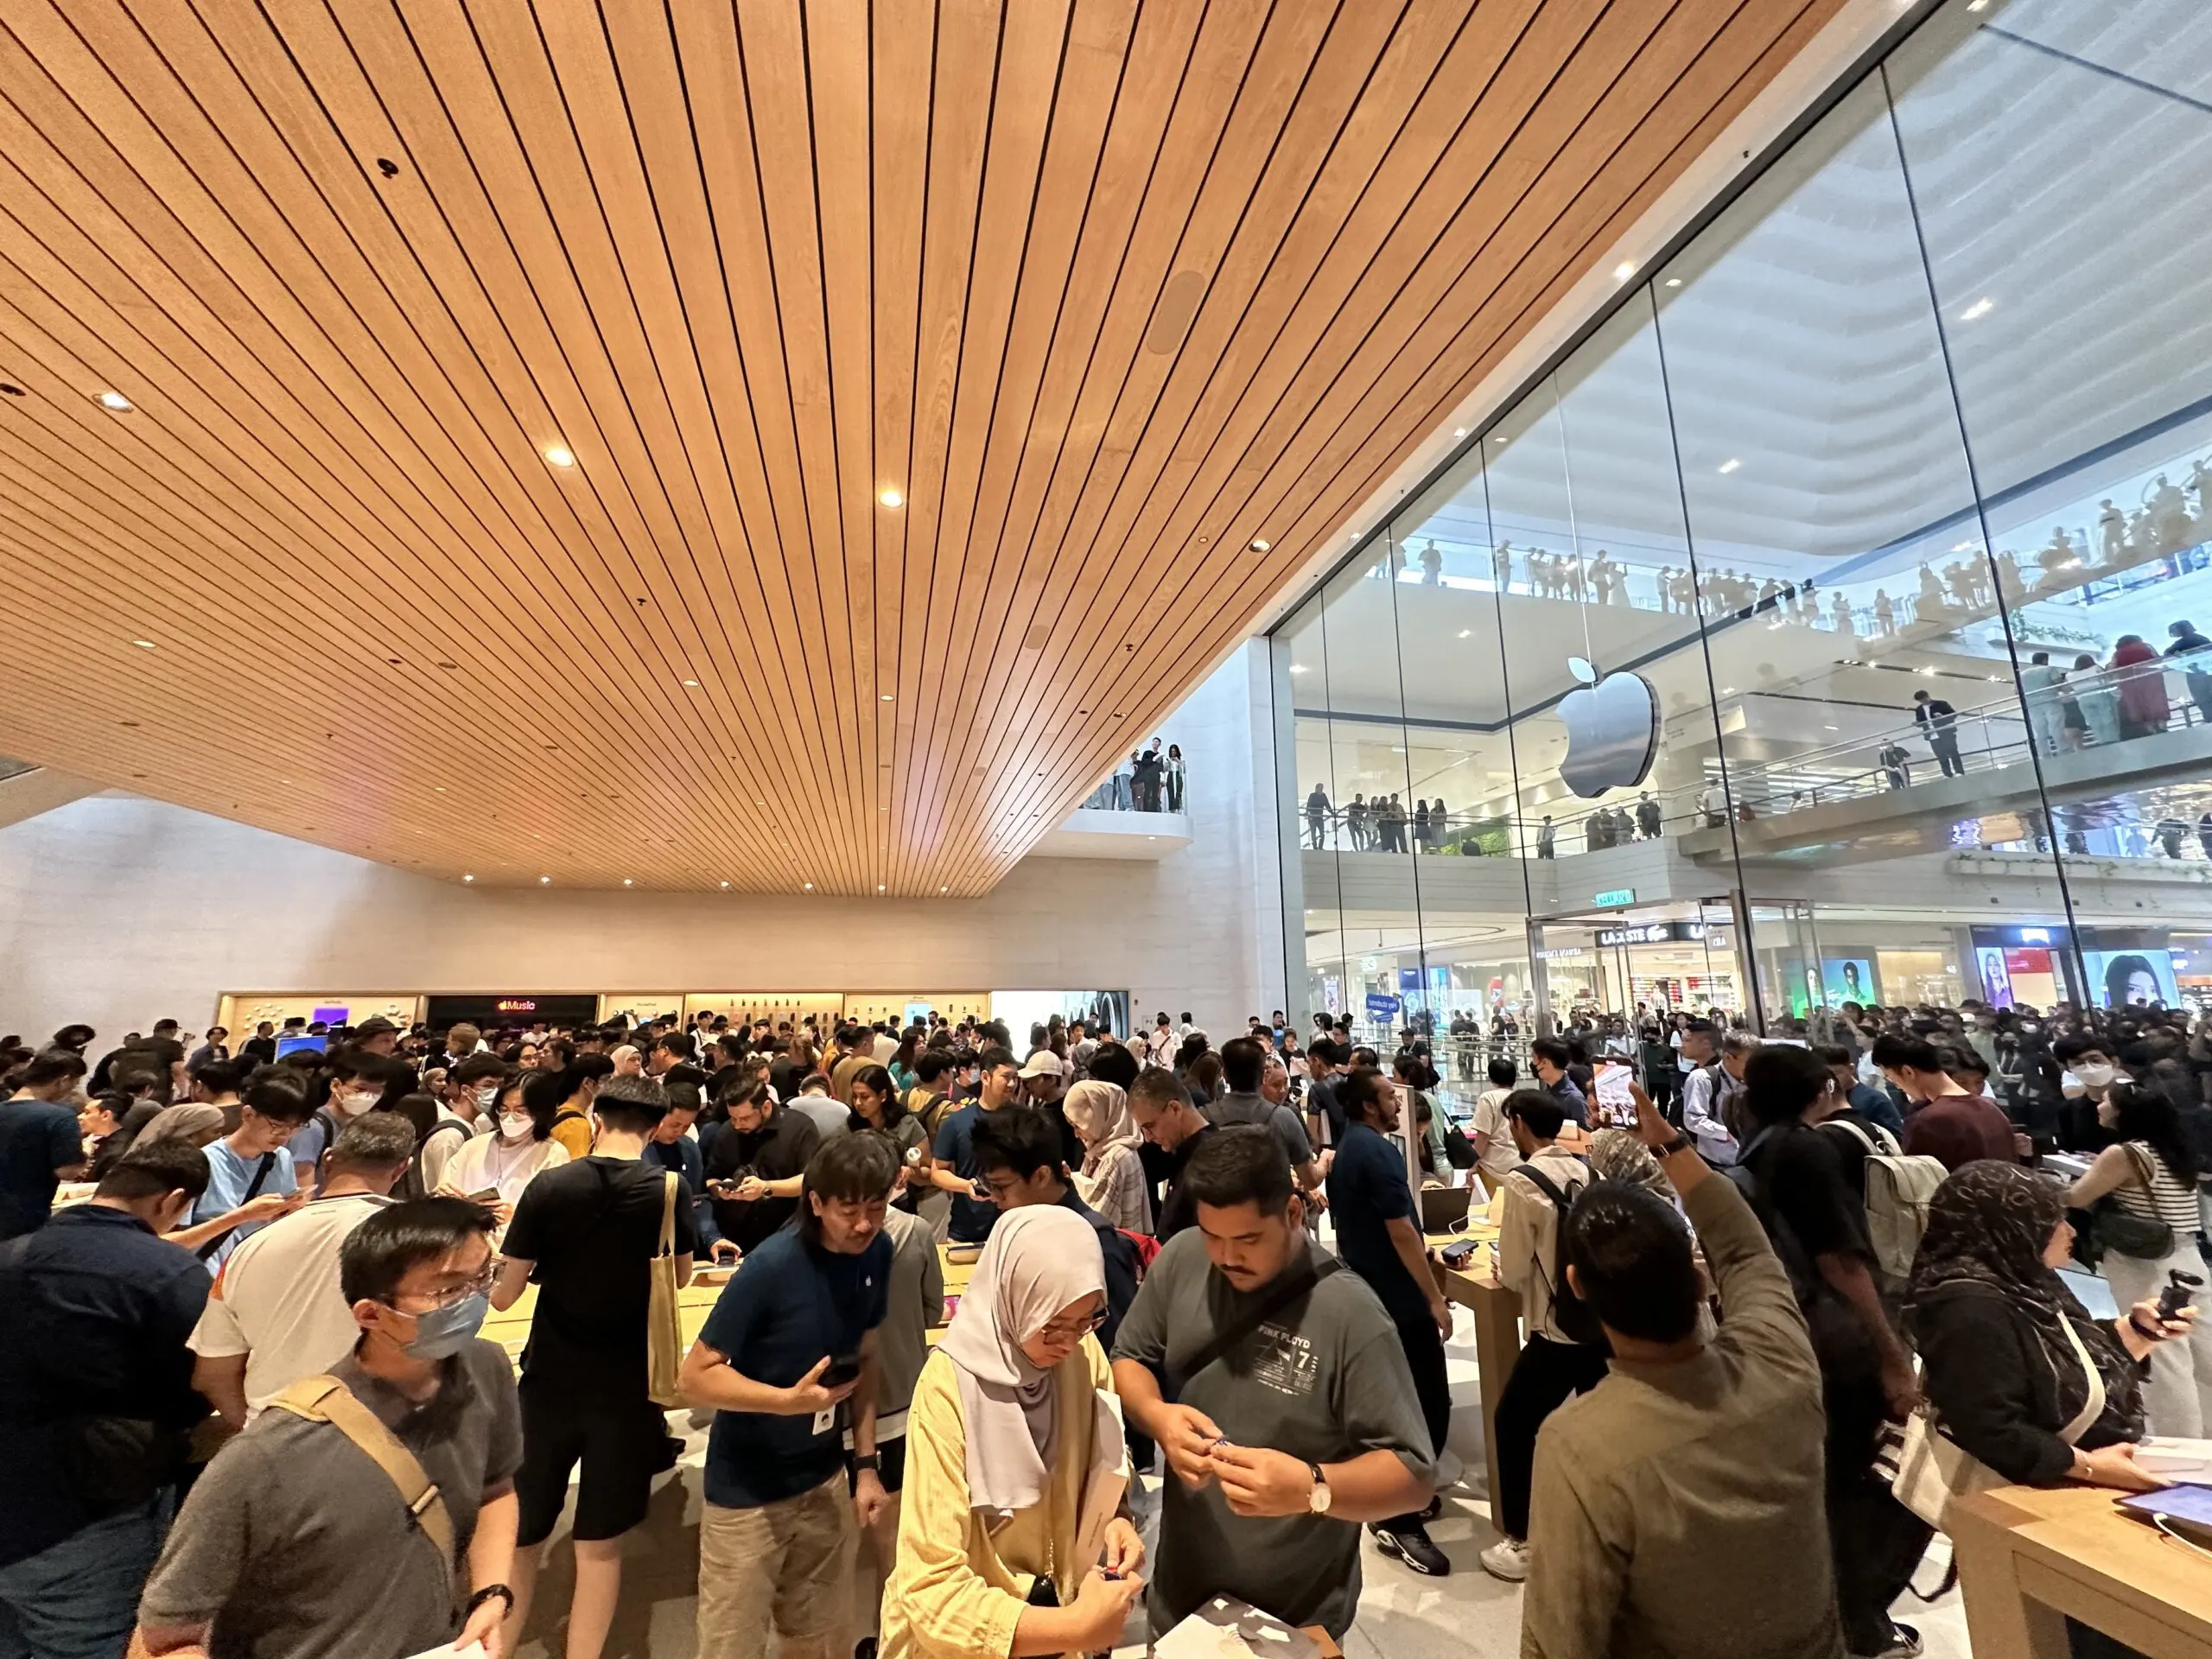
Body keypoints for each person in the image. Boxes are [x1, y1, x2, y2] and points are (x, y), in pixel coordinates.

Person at [1519, 1081, 1846, 1659]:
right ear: (1699, 1281)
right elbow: (1744, 1247)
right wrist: (1670, 1145)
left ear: (1578, 1288)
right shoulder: (1781, 1360)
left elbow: (1560, 1637)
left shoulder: (1583, 1446)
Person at [132, 1198, 522, 1659]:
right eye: (448, 1291)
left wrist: (491, 1593)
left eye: (483, 1278)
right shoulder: (270, 1456)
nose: (474, 1300)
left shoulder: (485, 1367)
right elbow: (163, 1637)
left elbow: (495, 1488)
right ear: (370, 1315)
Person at [1111, 1129, 1435, 1641]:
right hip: (1181, 1582)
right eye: (1212, 1235)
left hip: (1296, 1605)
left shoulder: (1352, 1315)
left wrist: (1312, 1487)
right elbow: (1130, 1356)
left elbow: (1414, 1475)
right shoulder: (1182, 1257)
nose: (1225, 1257)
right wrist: (1159, 1417)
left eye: (1247, 1240)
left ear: (1292, 1214)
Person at [881, 1204, 1144, 1659]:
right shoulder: (949, 1387)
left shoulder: (1083, 1355)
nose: (1068, 1342)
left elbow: (1109, 1457)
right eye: (1051, 1325)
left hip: (1056, 1622)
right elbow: (930, 1590)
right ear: (1011, 1300)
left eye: (1087, 1320)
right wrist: (1074, 1627)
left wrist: (1116, 1517)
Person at [493, 1074, 696, 1659]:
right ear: (656, 1128)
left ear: (598, 1119)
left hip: (550, 1379)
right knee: (600, 1545)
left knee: (525, 1534)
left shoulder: (549, 1186)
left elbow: (505, 1295)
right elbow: (679, 1276)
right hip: (628, 1386)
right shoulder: (668, 1190)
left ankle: (496, 1649)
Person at [1733, 1046, 1927, 1658]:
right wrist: (1891, 1353)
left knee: (1826, 1481)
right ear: (1820, 1089)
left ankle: (1828, 1611)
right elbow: (1841, 1260)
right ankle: (1859, 1619)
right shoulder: (1806, 1150)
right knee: (1862, 1483)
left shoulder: (1757, 1148)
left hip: (1786, 1331)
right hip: (1835, 1339)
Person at [683, 1135, 897, 1659]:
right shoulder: (771, 1266)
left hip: (824, 1479)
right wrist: (787, 1402)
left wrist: (865, 1465)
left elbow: (866, 1361)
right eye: (850, 1210)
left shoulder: (878, 1252)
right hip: (747, 1492)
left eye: (877, 1207)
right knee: (731, 1644)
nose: (865, 1224)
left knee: (818, 1637)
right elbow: (693, 1376)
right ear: (817, 1201)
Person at [0, 1142, 210, 1656]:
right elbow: (201, 1383)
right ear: (174, 1201)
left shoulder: (11, 1253)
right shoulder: (169, 1274)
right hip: (84, 1508)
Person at [1911, 1161, 2195, 1501]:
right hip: (2025, 1492)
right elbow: (1989, 1427)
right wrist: (2089, 1466)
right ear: (2014, 1227)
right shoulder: (1969, 1305)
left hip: (2073, 1474)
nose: (2070, 1231)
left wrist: (2139, 1331)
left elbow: (2065, 1360)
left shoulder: (2024, 1276)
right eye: (2053, 1222)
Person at [189, 1111, 416, 1427]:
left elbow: (211, 1375)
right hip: (380, 1432)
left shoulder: (248, 1248)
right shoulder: (423, 1239)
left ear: (327, 1159)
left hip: (271, 1433)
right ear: (403, 1168)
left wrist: (253, 1430)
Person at [1324, 1071, 1453, 1576]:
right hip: (1398, 1296)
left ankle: (1405, 1499)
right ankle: (1400, 1517)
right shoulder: (1377, 1153)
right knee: (1425, 1401)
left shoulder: (1351, 1148)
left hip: (1371, 1289)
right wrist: (1434, 1296)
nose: (1395, 1103)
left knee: (1400, 1398)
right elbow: (1401, 1231)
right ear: (1366, 1105)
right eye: (1385, 1097)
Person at [1481, 1090, 1608, 1584]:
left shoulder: (1523, 1181)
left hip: (1555, 1328)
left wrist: (1502, 1265)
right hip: (1598, 1323)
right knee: (1597, 1425)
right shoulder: (1589, 1172)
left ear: (1516, 1123)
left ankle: (1523, 1539)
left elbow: (1513, 1269)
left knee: (1513, 1422)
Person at [2066, 1081, 2212, 1435]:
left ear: (2122, 1112)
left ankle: (2179, 1443)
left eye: (2105, 1101)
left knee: (2161, 1356)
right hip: (2187, 1256)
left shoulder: (2124, 1154)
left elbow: (2077, 1197)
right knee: (2202, 1352)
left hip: (2143, 1263)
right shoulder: (2171, 1148)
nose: (2099, 1105)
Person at [972, 1105, 1141, 1348]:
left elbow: (1120, 1343)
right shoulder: (1024, 1224)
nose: (995, 1198)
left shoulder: (1096, 1241)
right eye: (989, 1186)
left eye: (1001, 1187)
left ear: (1042, 1176)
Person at [191, 1071, 315, 1270]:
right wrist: (242, 1215)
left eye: (296, 1127)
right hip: (204, 1278)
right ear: (248, 1114)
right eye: (277, 1125)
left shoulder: (281, 1157)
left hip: (250, 1274)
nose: (285, 1135)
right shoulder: (202, 1162)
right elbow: (168, 1241)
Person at [704, 1074, 822, 1253]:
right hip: (738, 1239)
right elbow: (711, 1177)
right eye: (733, 1118)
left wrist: (766, 1188)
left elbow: (811, 1180)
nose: (736, 1125)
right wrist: (720, 1191)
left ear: (766, 1107)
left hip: (789, 1235)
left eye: (744, 1118)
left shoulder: (800, 1127)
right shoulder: (727, 1131)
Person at [438, 1068, 572, 1224]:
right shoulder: (474, 1147)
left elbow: (557, 1219)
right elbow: (444, 1193)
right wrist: (443, 1197)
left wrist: (518, 1218)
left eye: (520, 1111)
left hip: (514, 1245)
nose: (509, 1118)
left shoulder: (553, 1154)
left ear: (541, 1112)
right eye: (503, 1110)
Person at [1872, 1033, 2018, 1171]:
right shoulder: (1990, 1108)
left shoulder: (1928, 1120)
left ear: (1907, 1072)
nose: (1897, 1085)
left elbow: (1918, 1184)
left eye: (1891, 1077)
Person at [1205, 1037, 1325, 1198]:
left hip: (1218, 1215)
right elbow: (1310, 1180)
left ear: (1224, 1074)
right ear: (1263, 1074)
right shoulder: (1283, 1117)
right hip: (1268, 1215)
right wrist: (1326, 1158)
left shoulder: (1202, 1117)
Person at [927, 1046, 1021, 1245]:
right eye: (1006, 1076)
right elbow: (937, 1172)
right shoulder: (957, 1121)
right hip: (966, 1231)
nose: (1012, 1083)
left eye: (1016, 1077)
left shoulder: (1023, 1121)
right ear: (986, 1077)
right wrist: (966, 1186)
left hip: (1013, 1230)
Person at [0, 1047, 90, 1238]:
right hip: (25, 1213)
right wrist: (83, 1158)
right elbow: (67, 1170)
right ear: (64, 1080)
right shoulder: (60, 1115)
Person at [1126, 1069, 1217, 1241]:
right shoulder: (1183, 1151)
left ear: (1174, 1109)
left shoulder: (1212, 1162)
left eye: (1150, 1126)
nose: (1147, 1137)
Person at [1064, 1079, 1150, 1235]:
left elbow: (1094, 1219)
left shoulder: (1115, 1156)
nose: (1076, 1134)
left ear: (1097, 1115)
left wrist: (1065, 1188)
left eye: (1078, 1125)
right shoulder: (1103, 1149)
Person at [1680, 1023, 1748, 1165]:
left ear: (1705, 1043)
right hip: (1717, 1156)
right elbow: (1693, 1120)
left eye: (1687, 1040)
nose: (1682, 1045)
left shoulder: (1730, 1070)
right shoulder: (1700, 1074)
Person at [1468, 1055, 1522, 1187]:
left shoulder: (1488, 1098)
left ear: (1491, 1077)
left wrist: (1473, 1165)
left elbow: (1483, 1136)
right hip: (1520, 1163)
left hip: (1493, 1166)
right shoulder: (1522, 1098)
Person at [1529, 1038, 1588, 1127]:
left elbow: (1584, 1135)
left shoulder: (1574, 1099)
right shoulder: (1549, 1089)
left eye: (1534, 1058)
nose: (1532, 1063)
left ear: (1545, 1063)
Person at [1911, 688, 1964, 777]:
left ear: (1927, 697)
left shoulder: (1941, 704)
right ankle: (1947, 774)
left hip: (1946, 732)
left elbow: (1953, 715)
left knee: (1953, 752)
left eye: (1923, 700)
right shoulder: (1919, 709)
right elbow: (1921, 722)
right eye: (1920, 701)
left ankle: (1959, 772)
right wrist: (1917, 724)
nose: (1922, 702)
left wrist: (1942, 716)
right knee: (1941, 756)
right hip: (1932, 735)